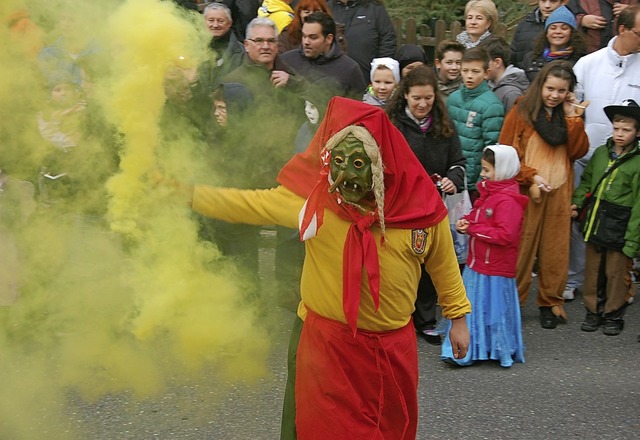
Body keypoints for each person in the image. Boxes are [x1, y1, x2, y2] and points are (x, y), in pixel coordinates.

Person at [188, 96, 471, 439]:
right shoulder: (314, 203)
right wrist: (188, 195)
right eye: (338, 161)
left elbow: (443, 266)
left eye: (358, 163)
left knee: (389, 430)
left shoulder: (420, 212)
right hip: (328, 348)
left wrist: (458, 319)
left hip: (390, 351)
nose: (347, 175)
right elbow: (251, 204)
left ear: (380, 166)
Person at [498, 60, 589, 329]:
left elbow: (578, 151)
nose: (554, 95)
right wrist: (529, 175)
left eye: (561, 91)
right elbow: (506, 153)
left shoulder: (568, 113)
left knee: (555, 250)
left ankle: (550, 302)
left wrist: (574, 117)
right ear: (541, 85)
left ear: (569, 92)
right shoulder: (521, 110)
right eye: (550, 89)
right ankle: (512, 302)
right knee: (522, 250)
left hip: (559, 191)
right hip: (527, 190)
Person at [386, 66, 467, 345]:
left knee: (430, 263)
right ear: (405, 96)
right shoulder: (391, 124)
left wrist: (452, 179)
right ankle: (398, 318)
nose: (422, 105)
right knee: (401, 264)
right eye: (416, 98)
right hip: (399, 209)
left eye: (429, 99)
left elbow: (458, 163)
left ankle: (426, 320)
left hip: (432, 209)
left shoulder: (444, 126)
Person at [565, 3, 640, 300]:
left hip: (629, 164)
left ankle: (617, 285)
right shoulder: (587, 64)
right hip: (586, 158)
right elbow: (571, 107)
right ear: (622, 29)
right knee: (577, 219)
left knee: (623, 222)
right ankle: (573, 279)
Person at [441, 145, 528, 367]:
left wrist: (471, 229)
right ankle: (473, 349)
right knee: (479, 310)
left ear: (504, 170)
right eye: (483, 169)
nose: (482, 174)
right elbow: (479, 215)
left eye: (487, 170)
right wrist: (468, 220)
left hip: (495, 268)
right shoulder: (490, 192)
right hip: (479, 263)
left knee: (485, 310)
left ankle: (476, 350)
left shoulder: (508, 200)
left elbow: (505, 235)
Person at [571, 99, 640, 335]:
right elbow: (588, 182)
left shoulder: (639, 162)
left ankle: (613, 313)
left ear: (637, 132)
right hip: (596, 220)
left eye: (627, 130)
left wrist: (633, 239)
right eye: (617, 128)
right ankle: (593, 310)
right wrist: (578, 203)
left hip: (621, 223)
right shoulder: (601, 153)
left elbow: (639, 204)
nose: (620, 134)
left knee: (616, 272)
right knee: (593, 270)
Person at [446, 46, 505, 196]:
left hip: (474, 182)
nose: (469, 76)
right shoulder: (453, 98)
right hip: (452, 176)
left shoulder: (492, 106)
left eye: (475, 71)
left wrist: (481, 182)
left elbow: (491, 147)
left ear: (486, 73)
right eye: (465, 71)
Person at [280, 11, 366, 99]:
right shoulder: (287, 60)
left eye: (313, 37)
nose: (306, 42)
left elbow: (356, 108)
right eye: (304, 36)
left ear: (329, 39)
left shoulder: (350, 69)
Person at [326, 0, 397, 81]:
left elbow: (388, 40)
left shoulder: (375, 8)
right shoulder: (326, 7)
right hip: (332, 78)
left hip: (367, 76)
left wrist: (381, 72)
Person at [521, 5, 588, 82]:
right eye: (553, 28)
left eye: (564, 28)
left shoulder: (581, 61)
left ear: (572, 33)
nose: (558, 32)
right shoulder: (531, 58)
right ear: (546, 33)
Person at [196, 2, 246, 102]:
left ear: (229, 23)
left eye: (220, 21)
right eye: (211, 20)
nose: (215, 25)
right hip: (199, 106)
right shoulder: (193, 49)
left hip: (229, 106)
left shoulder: (241, 52)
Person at [510, 0, 566, 69]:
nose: (547, 6)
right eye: (543, 1)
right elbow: (512, 59)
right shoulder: (524, 25)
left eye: (553, 1)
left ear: (563, 2)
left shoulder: (569, 29)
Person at [567, 0, 638, 53]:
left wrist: (633, 11)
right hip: (589, 56)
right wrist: (581, 20)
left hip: (630, 56)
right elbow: (562, 16)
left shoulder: (634, 2)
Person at [484, 36, 530, 113]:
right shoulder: (490, 85)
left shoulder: (511, 94)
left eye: (484, 61)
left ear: (497, 62)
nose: (481, 66)